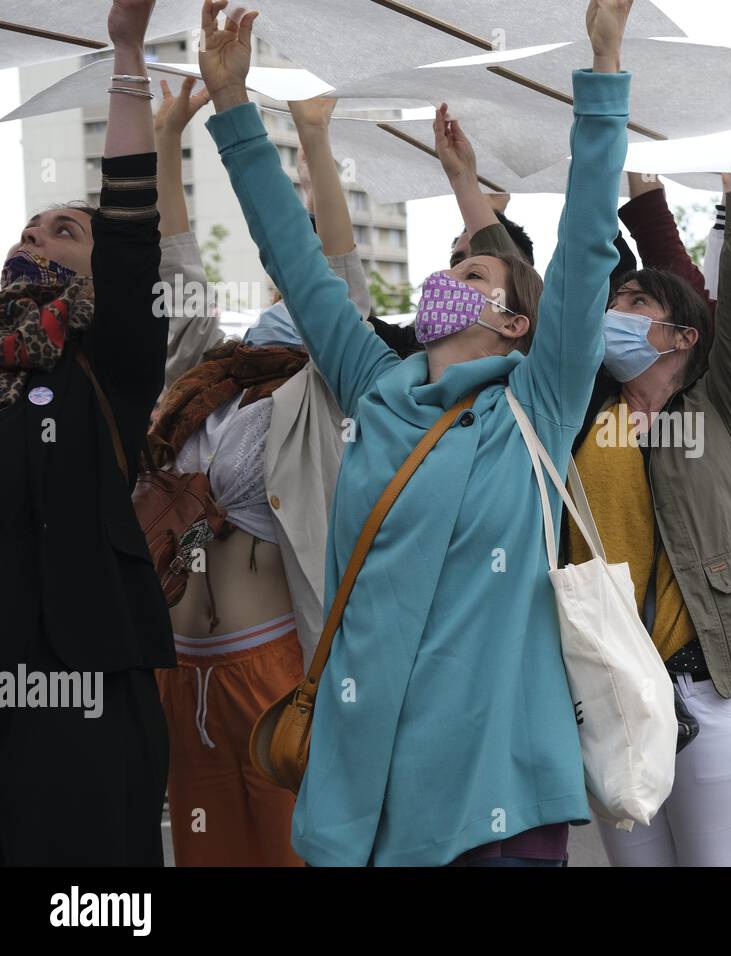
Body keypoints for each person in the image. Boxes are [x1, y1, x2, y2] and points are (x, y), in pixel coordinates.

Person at [197, 0, 633, 866]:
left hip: (496, 782)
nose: (445, 279)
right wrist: (233, 109)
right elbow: (293, 255)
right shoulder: (371, 382)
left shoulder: (535, 404)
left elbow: (586, 248)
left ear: (516, 324)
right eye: (447, 267)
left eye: (470, 272)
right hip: (368, 776)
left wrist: (605, 68)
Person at [556, 57, 731, 867]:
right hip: (613, 694)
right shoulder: (581, 413)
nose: (614, 315)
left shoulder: (719, 408)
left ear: (683, 335)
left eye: (636, 305)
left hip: (710, 689)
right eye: (613, 303)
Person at [149, 86, 373, 866]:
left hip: (273, 668)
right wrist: (166, 137)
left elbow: (341, 276)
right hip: (182, 677)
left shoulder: (320, 386)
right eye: (280, 289)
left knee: (290, 856)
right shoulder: (200, 379)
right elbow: (176, 271)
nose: (285, 300)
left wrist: (313, 141)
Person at [0, 0, 172, 865]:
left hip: (92, 673)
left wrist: (128, 56)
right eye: (30, 229)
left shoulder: (112, 357)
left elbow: (135, 220)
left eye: (64, 230)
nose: (36, 238)